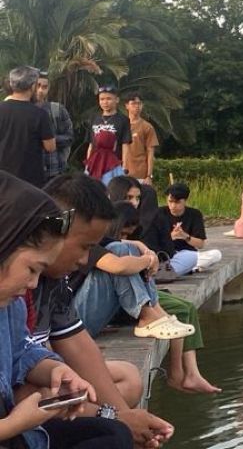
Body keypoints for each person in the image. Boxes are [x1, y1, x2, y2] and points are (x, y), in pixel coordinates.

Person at [30, 174, 175, 446]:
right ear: (50, 230)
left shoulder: (52, 279)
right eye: (84, 247)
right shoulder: (14, 285)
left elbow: (79, 345)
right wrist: (112, 416)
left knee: (127, 387)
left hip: (42, 396)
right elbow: (26, 393)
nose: (86, 259)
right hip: (24, 411)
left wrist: (127, 418)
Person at [0, 172, 133, 449]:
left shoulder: (9, 306)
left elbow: (21, 352)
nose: (32, 284)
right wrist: (13, 425)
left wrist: (54, 370)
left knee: (114, 435)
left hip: (20, 430)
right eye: (31, 269)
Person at [72, 202, 218, 396]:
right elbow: (119, 266)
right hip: (78, 319)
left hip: (111, 302)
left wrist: (143, 249)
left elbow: (128, 248)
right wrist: (148, 260)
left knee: (127, 251)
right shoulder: (78, 243)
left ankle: (154, 312)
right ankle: (149, 314)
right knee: (121, 253)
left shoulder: (108, 239)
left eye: (138, 197)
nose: (135, 201)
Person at [144, 183, 222, 275]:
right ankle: (189, 268)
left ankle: (188, 267)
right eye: (170, 201)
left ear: (185, 201)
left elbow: (201, 244)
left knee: (216, 254)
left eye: (177, 202)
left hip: (188, 254)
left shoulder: (195, 214)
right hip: (168, 254)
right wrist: (170, 237)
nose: (173, 206)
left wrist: (185, 236)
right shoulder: (159, 213)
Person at [0, 65, 56, 187]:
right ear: (32, 86)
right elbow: (50, 147)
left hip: (3, 178)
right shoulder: (40, 114)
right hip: (29, 180)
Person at [84, 85, 132, 185]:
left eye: (109, 99)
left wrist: (125, 167)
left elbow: (125, 145)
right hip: (94, 164)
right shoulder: (94, 119)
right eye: (102, 99)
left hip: (113, 166)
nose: (105, 102)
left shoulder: (123, 120)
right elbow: (91, 144)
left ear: (117, 100)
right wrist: (87, 164)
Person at [35, 71, 73, 185]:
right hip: (28, 170)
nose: (41, 90)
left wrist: (48, 139)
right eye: (38, 86)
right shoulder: (21, 110)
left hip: (53, 169)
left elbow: (69, 137)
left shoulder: (57, 109)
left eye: (45, 87)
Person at [121, 94, 157, 188]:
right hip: (120, 173)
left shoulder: (147, 127)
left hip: (140, 174)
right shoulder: (120, 125)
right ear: (126, 106)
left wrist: (149, 175)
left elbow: (150, 152)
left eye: (139, 103)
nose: (137, 106)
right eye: (133, 103)